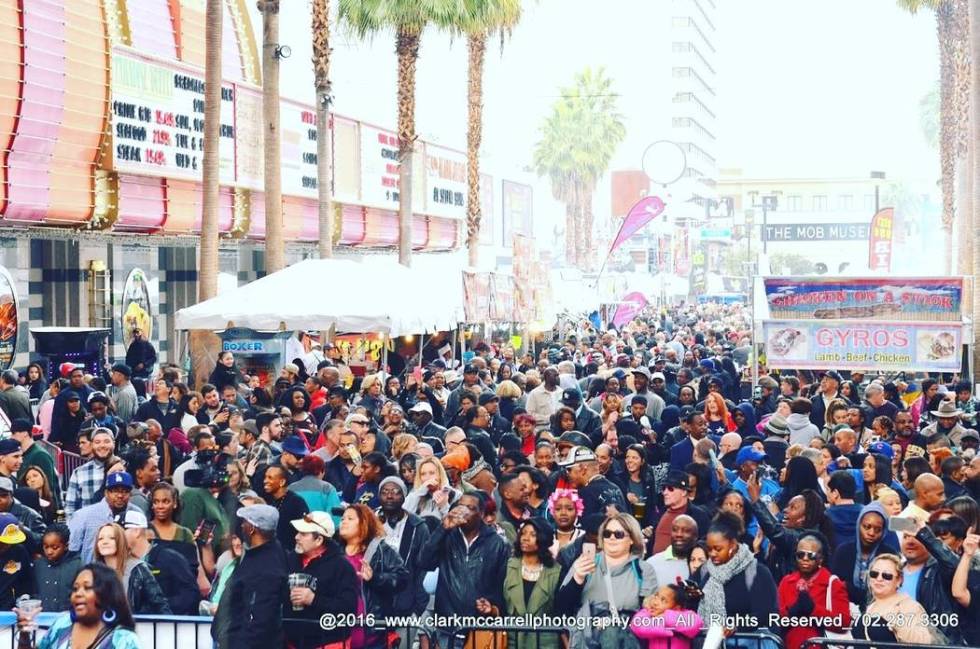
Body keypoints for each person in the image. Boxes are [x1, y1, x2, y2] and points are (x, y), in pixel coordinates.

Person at [419, 492, 510, 648]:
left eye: (470, 508)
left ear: (481, 513)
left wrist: (493, 608)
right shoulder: (447, 536)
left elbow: (501, 585)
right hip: (447, 625)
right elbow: (424, 562)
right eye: (461, 506)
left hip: (480, 627)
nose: (464, 511)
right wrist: (442, 529)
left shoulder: (497, 543)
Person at [556, 512, 657, 649]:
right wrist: (577, 579)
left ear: (632, 539)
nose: (611, 538)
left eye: (619, 534)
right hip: (587, 642)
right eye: (607, 534)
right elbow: (561, 609)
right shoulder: (584, 563)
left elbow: (651, 611)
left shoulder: (644, 569)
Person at [691, 512, 780, 647]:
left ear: (732, 544)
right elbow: (693, 612)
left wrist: (737, 625)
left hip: (749, 642)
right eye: (709, 549)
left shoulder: (757, 571)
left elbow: (766, 613)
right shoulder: (704, 571)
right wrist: (690, 596)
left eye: (718, 549)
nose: (712, 554)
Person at [16, 562, 141, 649]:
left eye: (87, 588)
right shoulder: (62, 624)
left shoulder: (123, 640)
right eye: (75, 589)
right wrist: (24, 634)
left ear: (106, 593)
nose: (78, 594)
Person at [337, 504, 408, 649]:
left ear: (364, 523)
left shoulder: (381, 550)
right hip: (339, 628)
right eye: (343, 518)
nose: (343, 522)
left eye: (350, 518)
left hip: (372, 631)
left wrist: (375, 578)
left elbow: (402, 578)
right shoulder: (334, 551)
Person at [285, 511, 358, 649]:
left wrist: (314, 599)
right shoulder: (291, 559)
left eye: (303, 534)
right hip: (294, 642)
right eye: (298, 532)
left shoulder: (342, 567)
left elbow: (348, 609)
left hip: (328, 643)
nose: (296, 537)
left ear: (319, 540)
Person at [488, 518, 562, 649]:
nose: (525, 538)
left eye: (533, 535)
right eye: (523, 533)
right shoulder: (508, 566)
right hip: (512, 640)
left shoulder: (557, 572)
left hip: (544, 642)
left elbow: (560, 610)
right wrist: (491, 609)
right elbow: (499, 601)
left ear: (543, 539)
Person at [223, 504, 288, 649]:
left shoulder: (265, 567)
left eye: (244, 522)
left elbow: (260, 617)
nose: (241, 526)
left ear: (252, 528)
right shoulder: (273, 550)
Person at [775, 533, 850, 649]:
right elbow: (775, 619)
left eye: (811, 555)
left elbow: (844, 622)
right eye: (800, 554)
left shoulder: (833, 583)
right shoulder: (786, 582)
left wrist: (813, 609)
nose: (805, 558)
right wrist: (791, 612)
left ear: (821, 559)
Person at [121, 509, 199, 615]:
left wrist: (158, 610)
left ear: (136, 531)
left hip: (169, 626)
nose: (118, 535)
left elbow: (190, 594)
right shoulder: (125, 564)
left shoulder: (169, 558)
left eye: (122, 530)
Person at [377, 477, 430, 618]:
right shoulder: (369, 522)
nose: (389, 496)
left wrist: (418, 607)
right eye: (385, 491)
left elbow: (422, 568)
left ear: (404, 495)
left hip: (406, 602)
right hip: (374, 603)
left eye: (395, 492)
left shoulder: (417, 526)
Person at [851, 553, 931, 644]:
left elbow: (924, 641)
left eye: (887, 576)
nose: (879, 579)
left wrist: (897, 623)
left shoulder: (908, 606)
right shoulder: (871, 606)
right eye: (874, 574)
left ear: (899, 580)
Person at [92, 522, 171, 614]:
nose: (105, 542)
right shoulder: (92, 572)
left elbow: (160, 605)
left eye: (112, 538)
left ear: (120, 541)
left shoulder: (138, 568)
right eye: (100, 539)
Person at [829, 501, 897, 607]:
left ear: (883, 532)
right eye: (866, 527)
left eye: (877, 529)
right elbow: (836, 587)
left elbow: (890, 591)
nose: (871, 533)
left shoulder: (889, 556)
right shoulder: (843, 552)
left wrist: (849, 588)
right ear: (858, 525)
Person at [68, 472, 141, 564]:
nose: (120, 496)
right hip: (93, 574)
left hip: (126, 574)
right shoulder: (84, 516)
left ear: (130, 494)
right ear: (106, 493)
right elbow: (71, 551)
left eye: (125, 491)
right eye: (115, 491)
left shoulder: (136, 514)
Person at [629, 583, 704, 649]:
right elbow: (638, 626)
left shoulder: (686, 614)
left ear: (676, 608)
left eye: (663, 600)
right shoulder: (647, 612)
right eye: (656, 596)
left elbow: (696, 624)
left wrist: (665, 617)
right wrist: (670, 629)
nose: (655, 602)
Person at [562, 446, 628, 518]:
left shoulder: (585, 493)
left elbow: (584, 526)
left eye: (569, 470)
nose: (567, 474)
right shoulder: (616, 488)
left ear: (583, 470)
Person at [65, 428, 116, 518]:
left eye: (106, 441)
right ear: (92, 445)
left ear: (114, 443)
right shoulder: (79, 473)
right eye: (97, 442)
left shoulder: (125, 467)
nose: (102, 445)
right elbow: (70, 508)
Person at [35, 524, 82, 612]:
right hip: (42, 617)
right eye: (46, 547)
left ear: (66, 546)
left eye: (55, 547)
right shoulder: (38, 564)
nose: (49, 551)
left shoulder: (77, 565)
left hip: (67, 617)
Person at [261, 465, 309, 551]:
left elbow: (304, 530)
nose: (265, 481)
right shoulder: (267, 500)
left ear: (282, 482)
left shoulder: (296, 502)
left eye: (270, 478)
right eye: (265, 477)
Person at [645, 514, 698, 587]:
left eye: (686, 531)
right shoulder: (652, 564)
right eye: (675, 530)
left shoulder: (702, 565)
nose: (679, 534)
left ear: (695, 536)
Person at [404, 455, 460, 520]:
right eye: (423, 474)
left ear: (440, 474)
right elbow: (404, 514)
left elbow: (455, 523)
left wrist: (444, 506)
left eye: (432, 473)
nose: (427, 478)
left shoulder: (455, 494)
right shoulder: (416, 495)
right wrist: (420, 492)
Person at [0, 511, 32, 609]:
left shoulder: (19, 551)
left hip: (11, 609)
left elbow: (27, 579)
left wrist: (25, 597)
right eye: (3, 542)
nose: (7, 545)